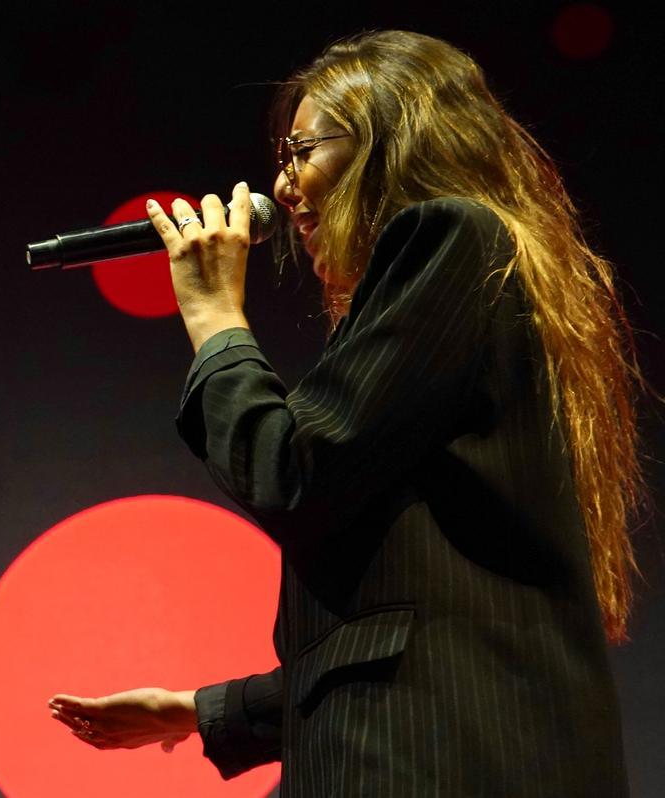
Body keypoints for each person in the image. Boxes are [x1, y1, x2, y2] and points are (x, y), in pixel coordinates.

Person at [50, 30, 642, 796]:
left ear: (390, 142)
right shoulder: (468, 274)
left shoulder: (449, 235)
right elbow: (410, 617)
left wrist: (213, 316)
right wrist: (198, 712)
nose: (281, 185)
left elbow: (288, 471)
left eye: (302, 151)